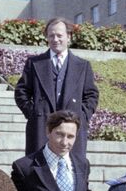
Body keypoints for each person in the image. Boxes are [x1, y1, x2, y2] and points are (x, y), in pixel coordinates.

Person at [13, 18, 99, 166]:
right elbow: (21, 91)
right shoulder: (34, 63)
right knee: (39, 172)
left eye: (59, 35)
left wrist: (82, 115)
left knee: (72, 171)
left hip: (72, 130)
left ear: (68, 36)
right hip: (41, 127)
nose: (55, 39)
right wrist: (33, 112)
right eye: (51, 35)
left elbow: (91, 95)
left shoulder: (83, 66)